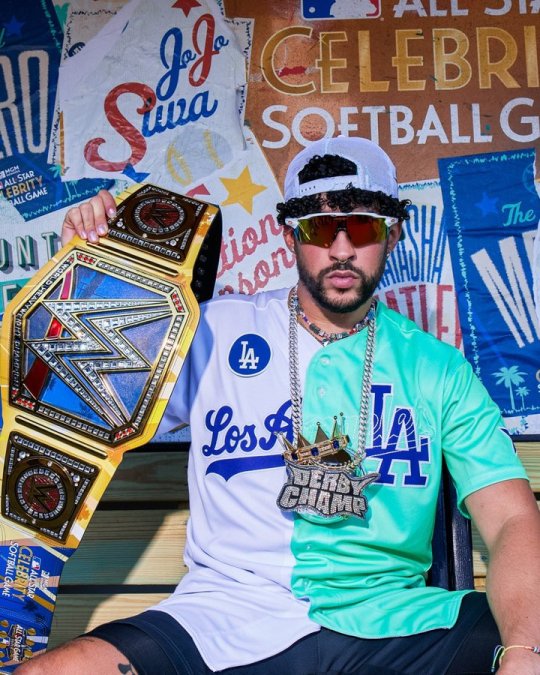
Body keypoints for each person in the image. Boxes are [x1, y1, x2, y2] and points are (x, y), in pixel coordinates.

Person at [16, 136, 540, 675]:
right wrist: (82, 275)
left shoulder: (438, 368)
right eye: (318, 227)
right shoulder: (214, 332)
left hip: (391, 622)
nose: (340, 250)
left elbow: (511, 520)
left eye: (361, 226)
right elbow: (70, 402)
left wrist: (524, 653)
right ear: (288, 231)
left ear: (393, 231)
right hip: (225, 614)